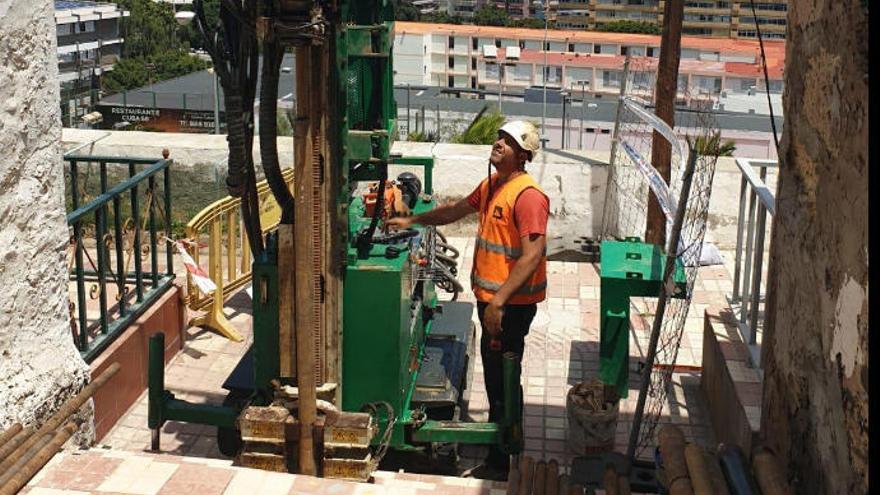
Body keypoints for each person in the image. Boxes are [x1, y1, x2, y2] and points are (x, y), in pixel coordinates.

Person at [386, 120, 549, 480]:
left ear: (522, 155)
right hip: (493, 300)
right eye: (499, 138)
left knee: (505, 375)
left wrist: (499, 303)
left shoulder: (528, 196)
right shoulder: (493, 185)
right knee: (496, 375)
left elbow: (532, 254)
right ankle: (501, 442)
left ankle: (501, 460)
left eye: (508, 142)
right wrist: (412, 220)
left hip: (510, 306)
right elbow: (456, 210)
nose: (498, 144)